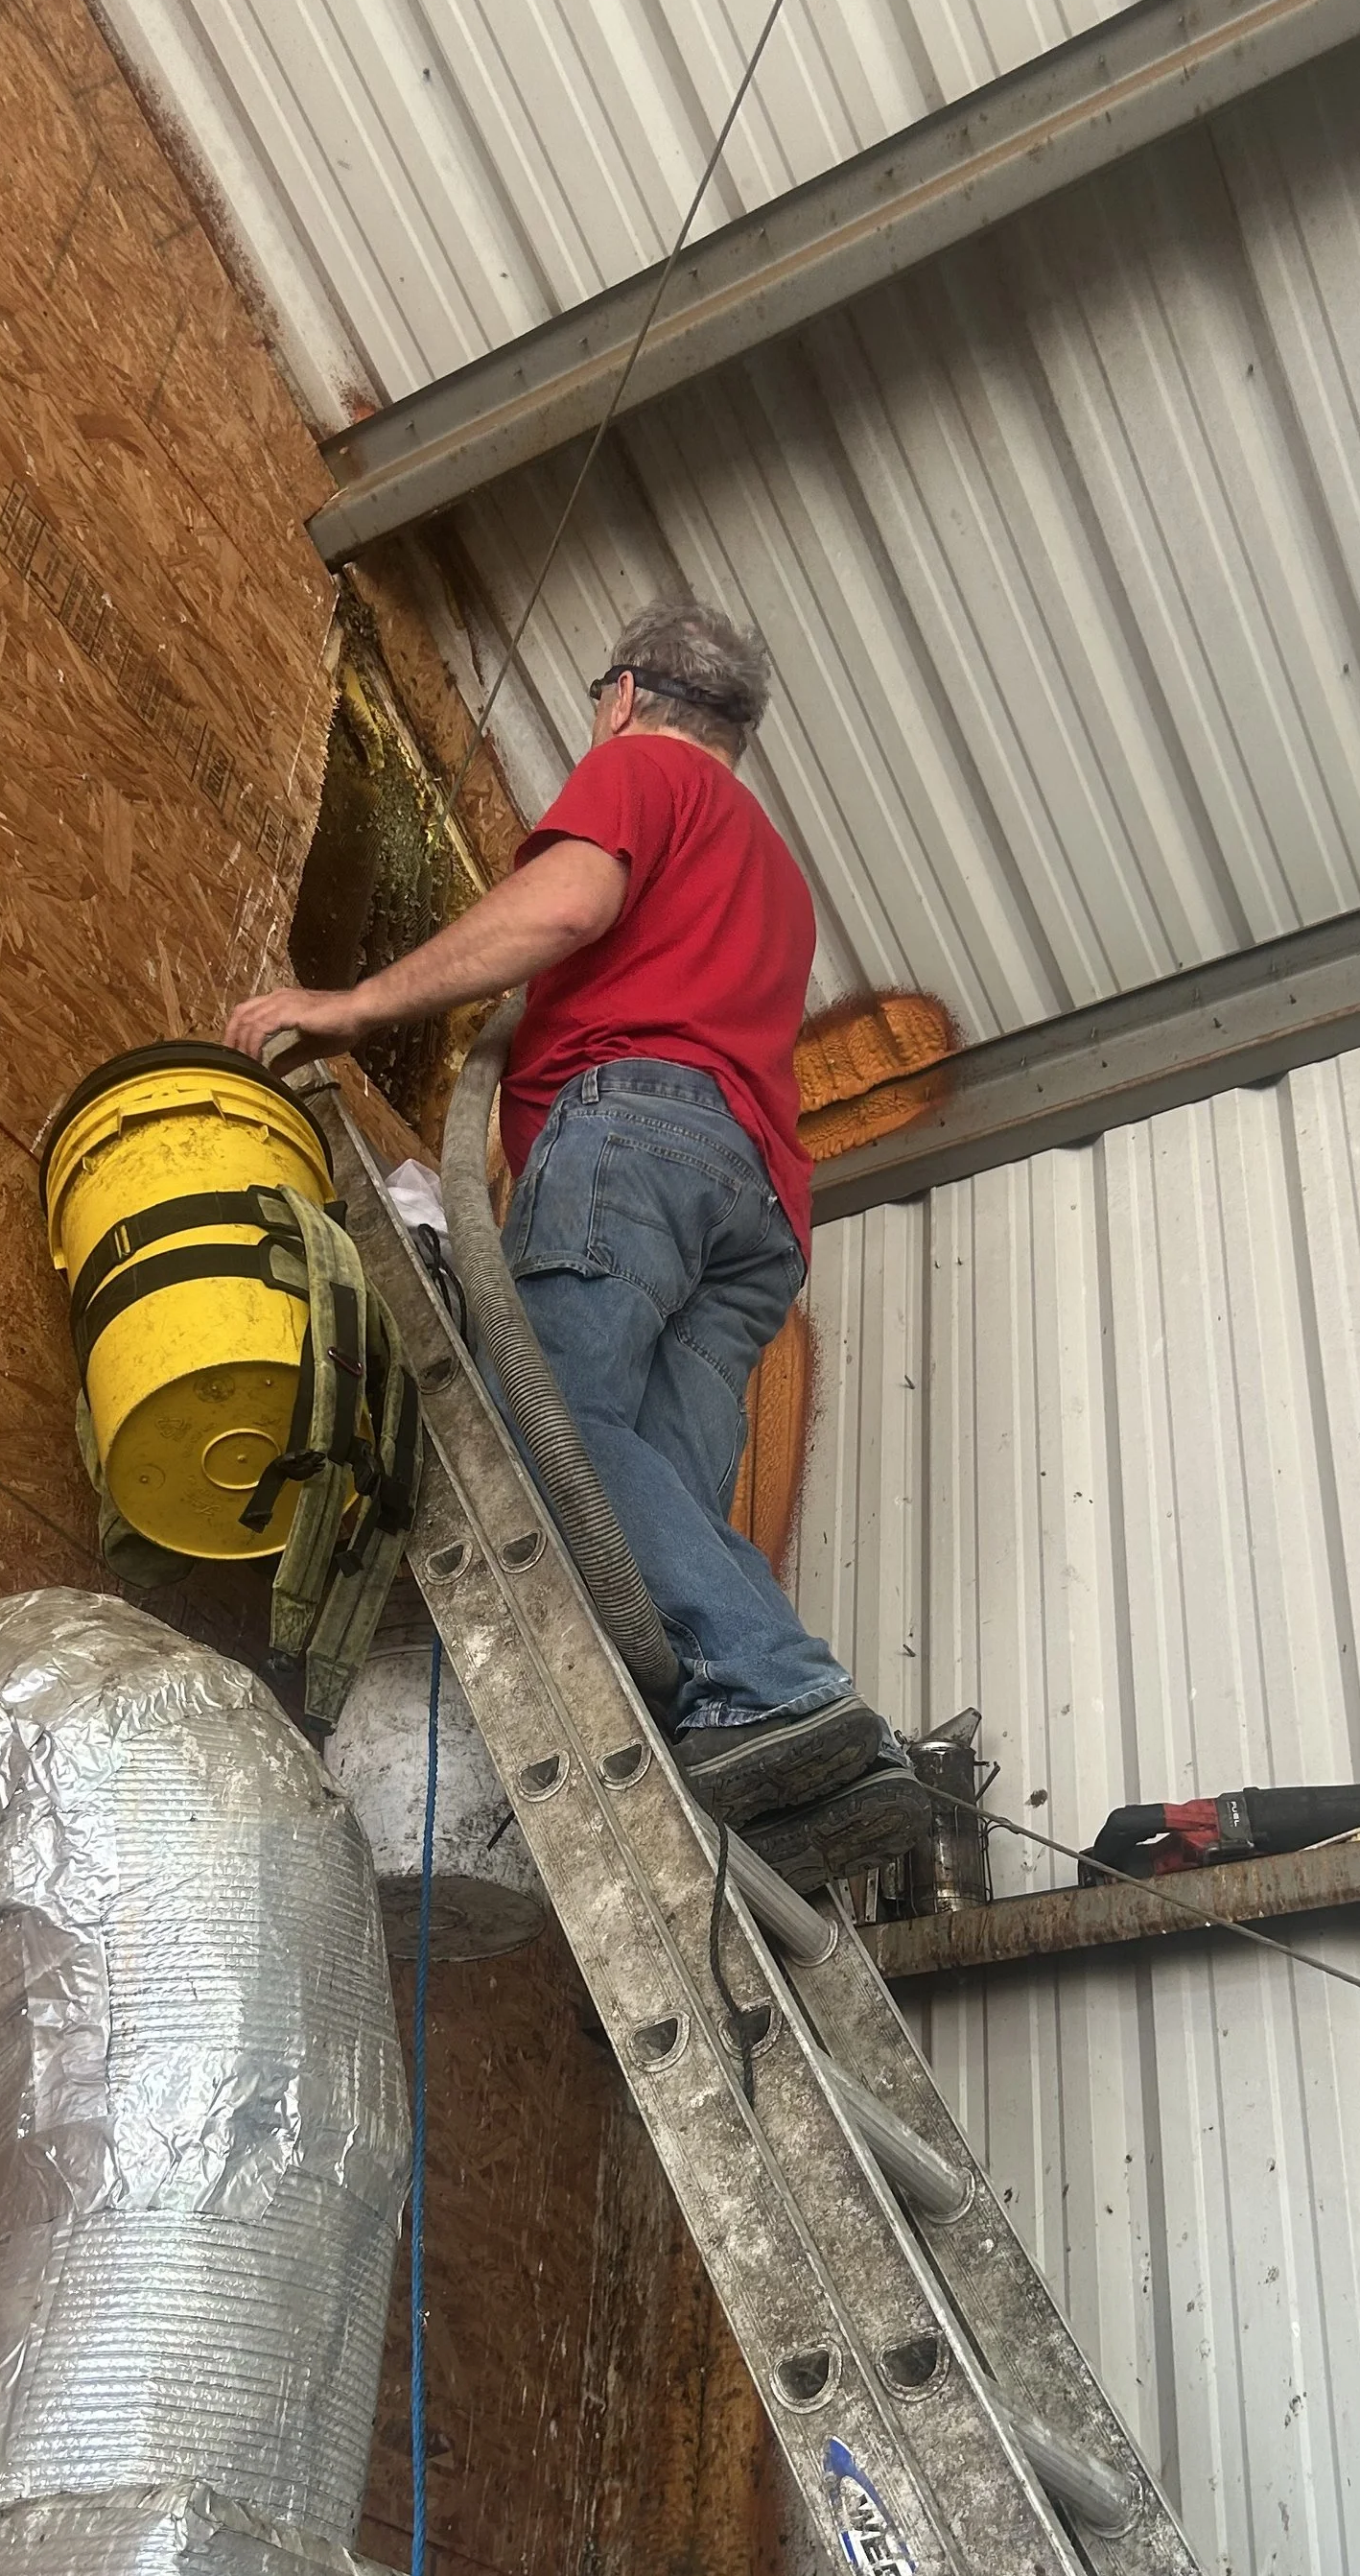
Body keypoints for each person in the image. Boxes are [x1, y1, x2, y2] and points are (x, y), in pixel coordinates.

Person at [224, 595, 924, 1887]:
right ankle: (787, 1737)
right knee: (650, 1483)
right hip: (757, 1212)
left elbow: (560, 910)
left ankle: (778, 1684)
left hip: (640, 1132)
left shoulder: (642, 771)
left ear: (625, 693)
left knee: (540, 1410)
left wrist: (351, 1003)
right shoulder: (771, 870)